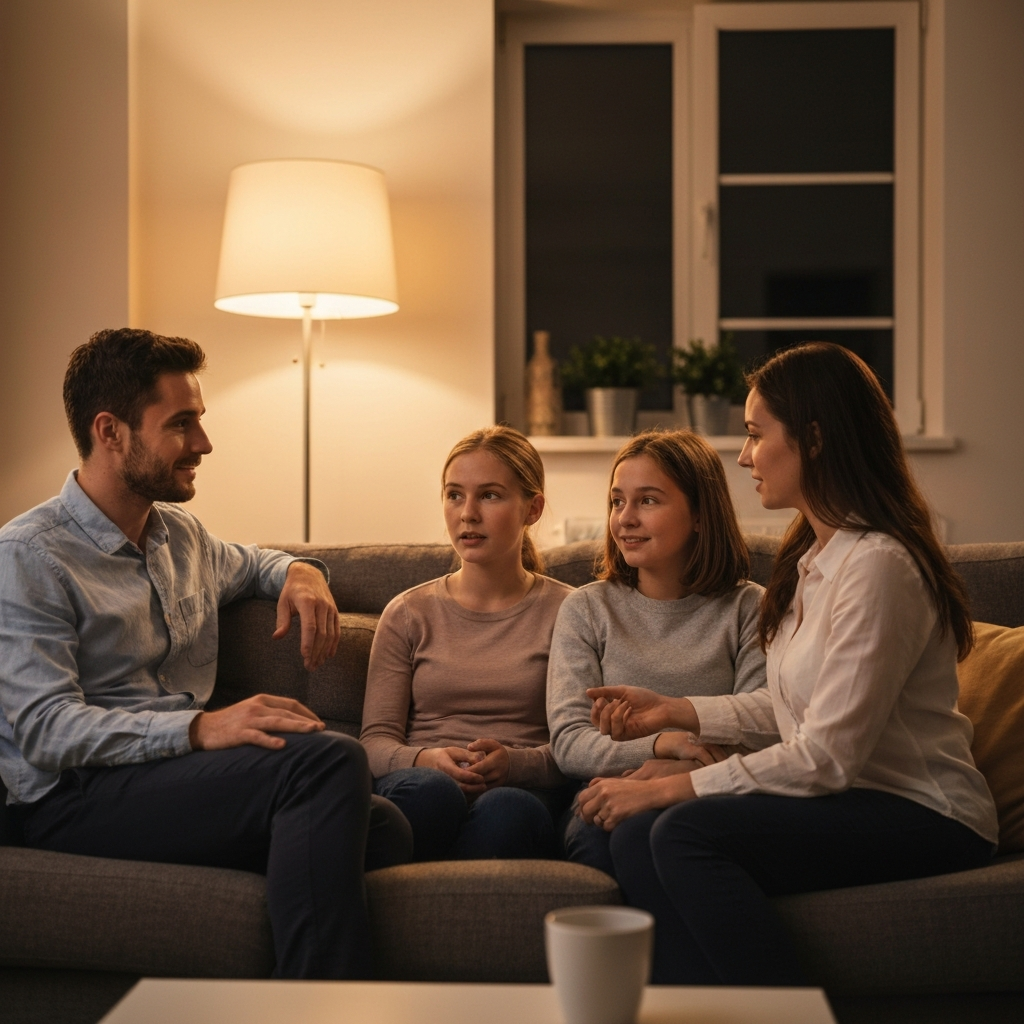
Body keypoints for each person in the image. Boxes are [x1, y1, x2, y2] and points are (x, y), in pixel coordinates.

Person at [581, 343, 998, 985]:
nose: (744, 456)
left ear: (813, 438)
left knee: (680, 831)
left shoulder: (879, 567)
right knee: (637, 836)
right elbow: (792, 712)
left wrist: (672, 785)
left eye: (754, 434)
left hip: (924, 811)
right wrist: (676, 710)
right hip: (855, 797)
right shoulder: (813, 559)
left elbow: (825, 756)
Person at [0, 327, 405, 981]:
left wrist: (302, 571)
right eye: (181, 424)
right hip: (74, 799)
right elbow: (46, 732)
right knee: (327, 765)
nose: (204, 444)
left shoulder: (178, 535)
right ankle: (318, 1013)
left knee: (386, 827)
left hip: (164, 784)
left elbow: (256, 565)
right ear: (111, 432)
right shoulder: (27, 556)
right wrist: (200, 727)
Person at [546, 430, 766, 875]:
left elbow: (765, 732)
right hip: (606, 790)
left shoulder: (751, 608)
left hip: (708, 795)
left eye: (647, 500)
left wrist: (681, 776)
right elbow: (569, 742)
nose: (625, 518)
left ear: (701, 515)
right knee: (596, 841)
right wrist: (667, 744)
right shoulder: (587, 609)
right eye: (616, 501)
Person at [360, 426, 575, 860]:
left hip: (521, 794)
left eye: (490, 496)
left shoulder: (570, 612)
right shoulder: (406, 613)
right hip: (421, 789)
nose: (467, 514)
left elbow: (580, 744)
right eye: (454, 495)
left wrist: (515, 764)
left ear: (532, 509)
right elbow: (374, 742)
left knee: (507, 809)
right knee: (430, 792)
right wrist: (423, 759)